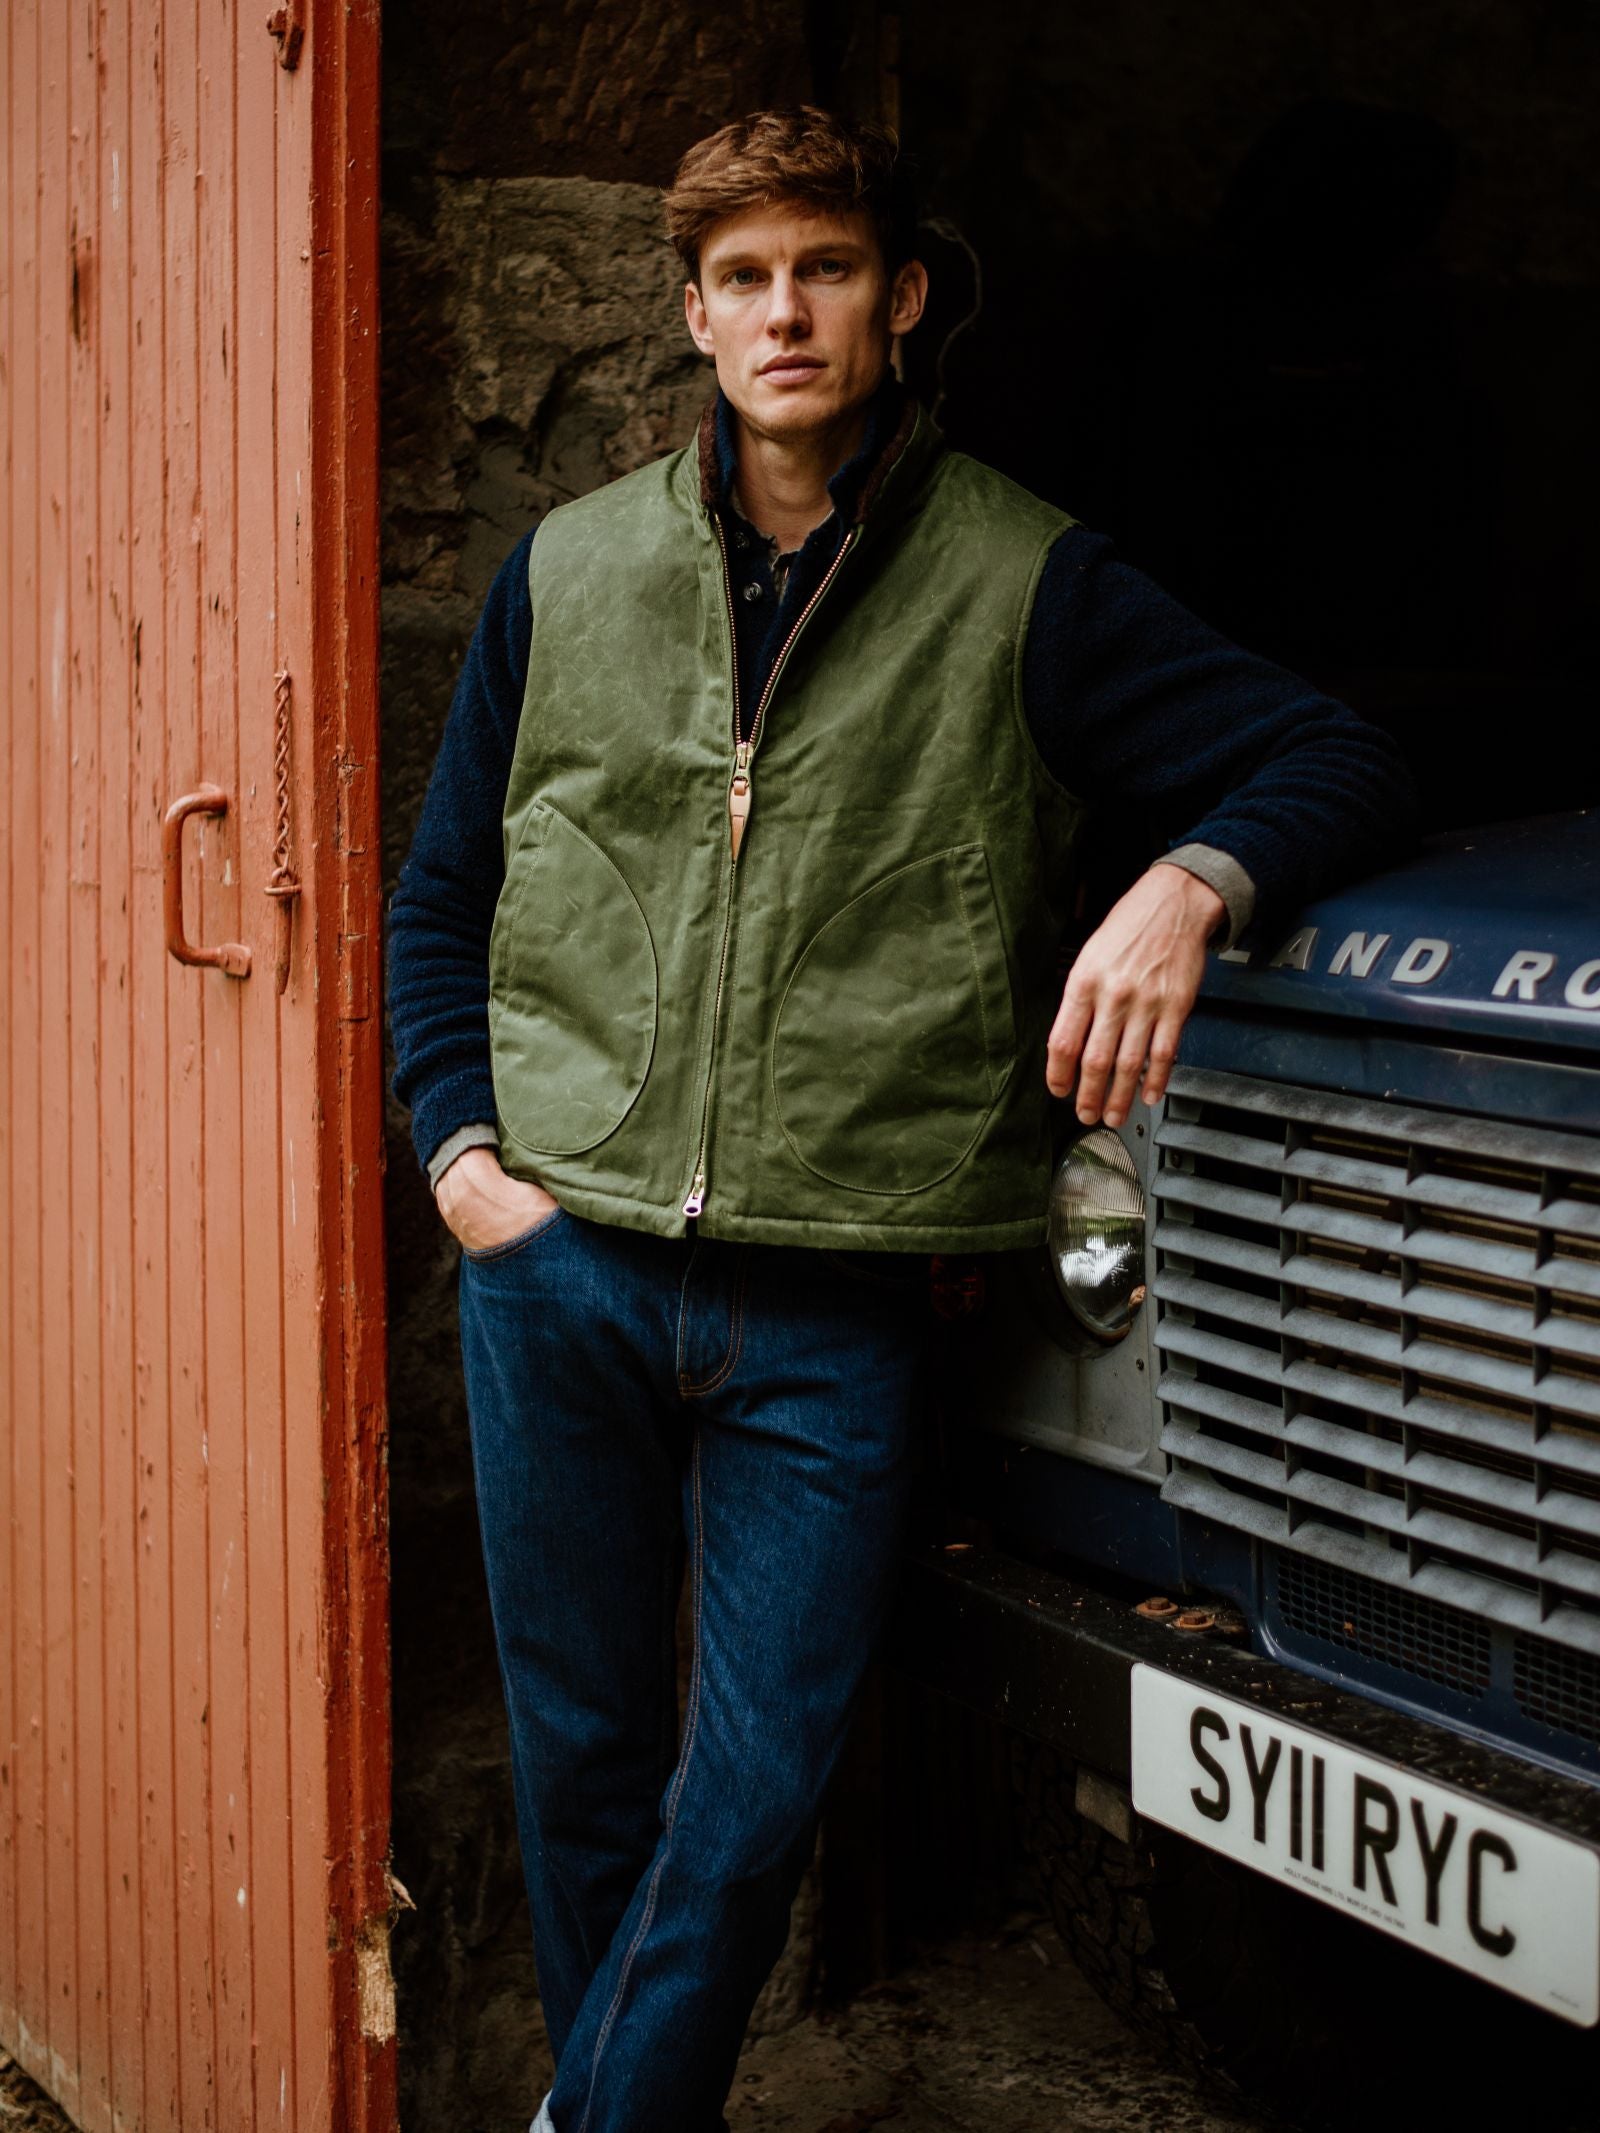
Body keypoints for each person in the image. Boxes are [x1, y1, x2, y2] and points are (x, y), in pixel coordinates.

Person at [386, 105, 1415, 2133]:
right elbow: (445, 894)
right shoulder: (565, 574)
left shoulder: (1025, 578)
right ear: (691, 314)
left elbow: (1331, 748)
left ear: (898, 295)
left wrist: (1187, 876)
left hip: (830, 1297)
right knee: (581, 1761)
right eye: (746, 277)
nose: (787, 311)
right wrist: (460, 1155)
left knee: (756, 1788)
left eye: (826, 268)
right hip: (559, 1255)